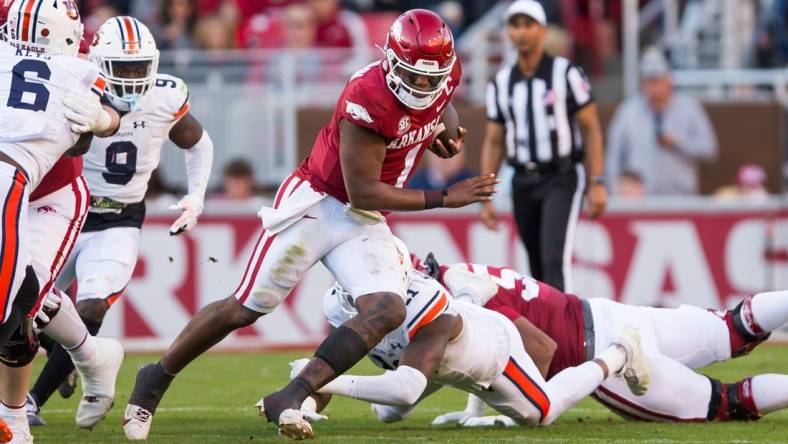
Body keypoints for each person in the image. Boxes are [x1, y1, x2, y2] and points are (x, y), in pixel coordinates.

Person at [124, 9, 497, 441]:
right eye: (413, 77)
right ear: (392, 62)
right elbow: (363, 191)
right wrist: (445, 198)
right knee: (247, 305)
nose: (423, 86)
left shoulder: (440, 75)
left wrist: (443, 129)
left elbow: (440, 101)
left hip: (364, 219)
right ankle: (155, 378)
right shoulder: (366, 94)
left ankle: (295, 391)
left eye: (430, 79)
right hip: (319, 200)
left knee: (386, 309)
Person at [25, 15, 214, 428]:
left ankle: (32, 401)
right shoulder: (72, 85)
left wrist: (196, 196)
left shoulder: (165, 96)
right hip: (62, 211)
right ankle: (76, 357)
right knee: (25, 308)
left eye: (138, 67)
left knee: (92, 303)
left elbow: (199, 143)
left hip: (119, 219)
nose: (131, 78)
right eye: (121, 68)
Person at [284, 260, 650, 428]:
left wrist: (318, 379)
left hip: (493, 351)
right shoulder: (337, 305)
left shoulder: (421, 299)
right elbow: (333, 360)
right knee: (386, 415)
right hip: (434, 361)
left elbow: (407, 389)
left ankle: (619, 353)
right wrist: (303, 401)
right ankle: (469, 294)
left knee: (540, 414)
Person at [420, 258, 788, 425]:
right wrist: (476, 408)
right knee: (734, 326)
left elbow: (539, 350)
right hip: (614, 315)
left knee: (727, 403)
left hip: (607, 356)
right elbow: (493, 345)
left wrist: (509, 406)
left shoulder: (461, 298)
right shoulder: (466, 274)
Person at [0, 0, 122, 440]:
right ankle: (91, 354)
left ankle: (13, 417)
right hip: (12, 182)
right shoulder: (18, 22)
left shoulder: (68, 51)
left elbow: (87, 136)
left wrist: (100, 119)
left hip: (49, 190)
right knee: (25, 290)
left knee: (21, 296)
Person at [479, 0, 607, 293]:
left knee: (553, 258)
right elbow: (494, 139)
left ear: (543, 30)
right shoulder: (500, 82)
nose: (521, 33)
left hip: (559, 175)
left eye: (528, 25)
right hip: (522, 179)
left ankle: (567, 333)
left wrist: (596, 180)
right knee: (535, 263)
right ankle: (548, 329)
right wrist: (486, 196)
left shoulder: (565, 73)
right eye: (515, 25)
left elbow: (591, 128)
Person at [606, 46, 718, 196]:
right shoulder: (627, 112)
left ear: (669, 80)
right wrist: (615, 193)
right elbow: (612, 158)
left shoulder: (690, 108)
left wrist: (678, 143)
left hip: (681, 198)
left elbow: (709, 150)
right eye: (649, 82)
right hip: (640, 201)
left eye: (657, 81)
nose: (654, 89)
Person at [407, 149, 477, 191]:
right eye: (438, 151)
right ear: (427, 155)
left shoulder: (474, 184)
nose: (445, 157)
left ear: (462, 156)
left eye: (452, 151)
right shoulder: (412, 186)